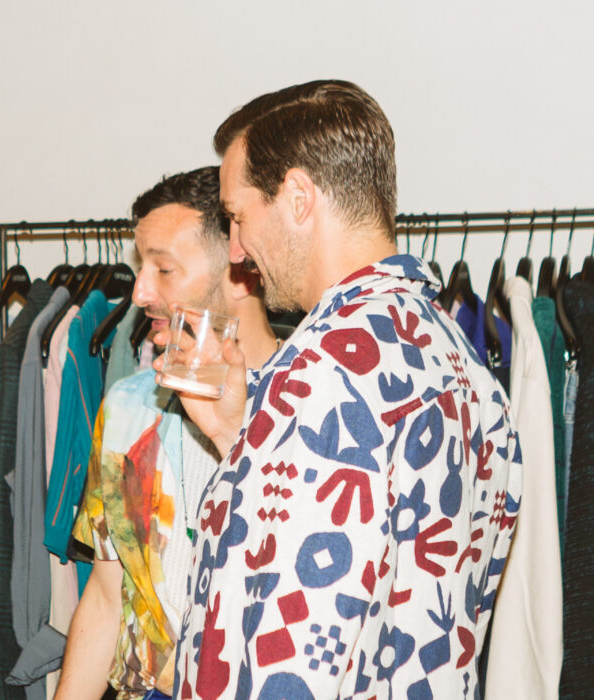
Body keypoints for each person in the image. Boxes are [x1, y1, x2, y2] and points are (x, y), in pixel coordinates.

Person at [169, 80, 522, 699]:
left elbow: (284, 658)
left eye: (237, 217)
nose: (237, 250)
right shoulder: (464, 365)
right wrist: (238, 436)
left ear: (298, 198)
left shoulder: (322, 377)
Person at [55, 168, 280, 700]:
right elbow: (106, 599)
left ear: (240, 271)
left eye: (163, 269)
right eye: (141, 267)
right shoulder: (128, 408)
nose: (139, 292)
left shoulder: (305, 406)